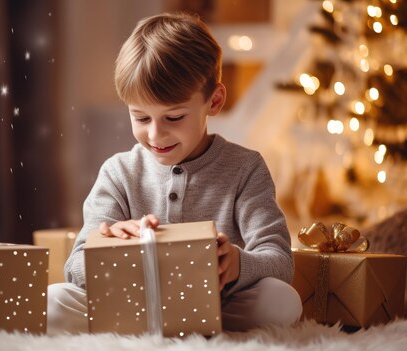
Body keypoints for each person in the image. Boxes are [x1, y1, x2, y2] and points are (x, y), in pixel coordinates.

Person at [47, 12, 302, 334]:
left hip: (222, 303)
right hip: (128, 304)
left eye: (174, 117)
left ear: (215, 101)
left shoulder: (245, 168)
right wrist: (109, 246)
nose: (155, 135)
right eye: (141, 118)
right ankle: (142, 325)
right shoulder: (118, 172)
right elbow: (74, 269)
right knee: (54, 301)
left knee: (283, 301)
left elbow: (280, 260)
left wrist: (237, 263)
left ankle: (193, 324)